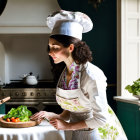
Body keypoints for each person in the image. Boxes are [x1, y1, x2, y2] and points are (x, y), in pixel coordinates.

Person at [30, 10, 127, 140]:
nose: (50, 52)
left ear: (70, 48)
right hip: (76, 131)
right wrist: (54, 115)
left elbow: (101, 119)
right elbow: (73, 108)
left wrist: (67, 126)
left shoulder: (92, 75)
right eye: (49, 47)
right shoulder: (65, 72)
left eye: (55, 47)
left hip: (96, 133)